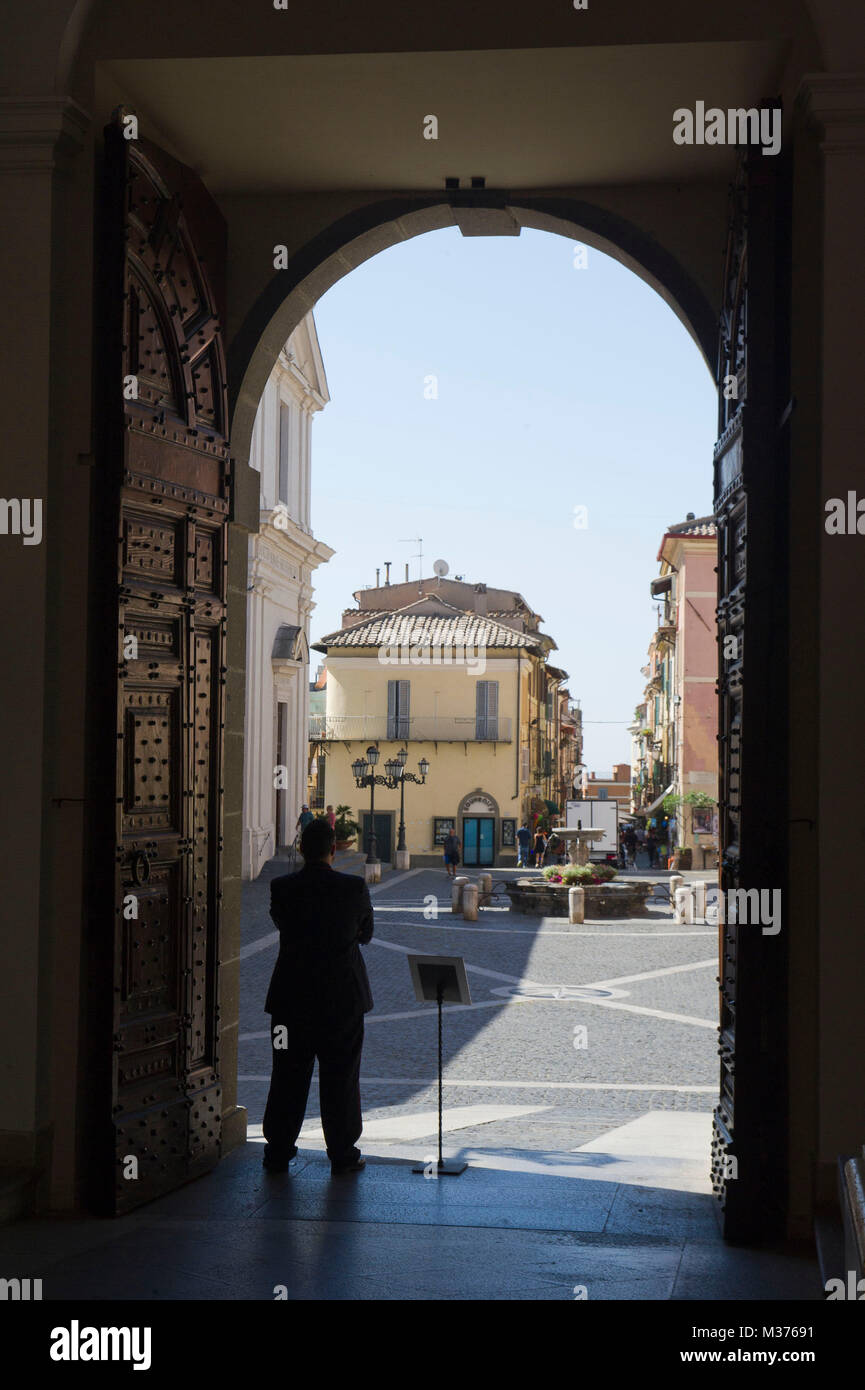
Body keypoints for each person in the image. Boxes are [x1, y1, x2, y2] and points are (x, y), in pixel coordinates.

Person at [262, 818, 374, 1176]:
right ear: (334, 850)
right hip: (342, 999)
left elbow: (283, 925)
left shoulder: (282, 887)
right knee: (341, 1076)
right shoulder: (353, 887)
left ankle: (277, 1151)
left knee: (286, 1076)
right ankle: (342, 1152)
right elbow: (366, 933)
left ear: (300, 850)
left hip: (290, 999)